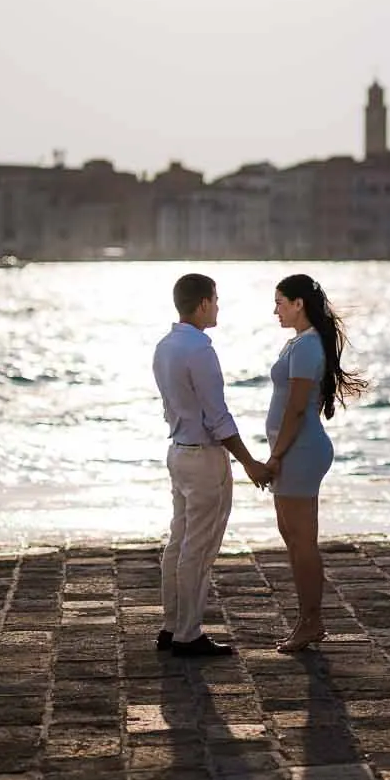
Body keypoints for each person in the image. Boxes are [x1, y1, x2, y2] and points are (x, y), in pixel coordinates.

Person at [152, 273, 271, 658]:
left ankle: (172, 626)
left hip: (177, 452)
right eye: (215, 300)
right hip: (203, 458)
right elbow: (217, 417)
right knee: (198, 548)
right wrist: (249, 462)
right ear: (202, 303)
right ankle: (188, 634)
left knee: (179, 541)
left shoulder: (164, 346)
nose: (218, 307)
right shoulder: (200, 350)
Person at [264, 273, 368, 653]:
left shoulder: (307, 347)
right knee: (292, 538)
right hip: (294, 450)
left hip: (301, 451)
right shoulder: (299, 343)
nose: (275, 310)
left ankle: (311, 622)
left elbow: (296, 409)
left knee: (302, 541)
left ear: (298, 304)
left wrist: (275, 456)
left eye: (279, 303)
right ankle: (306, 620)